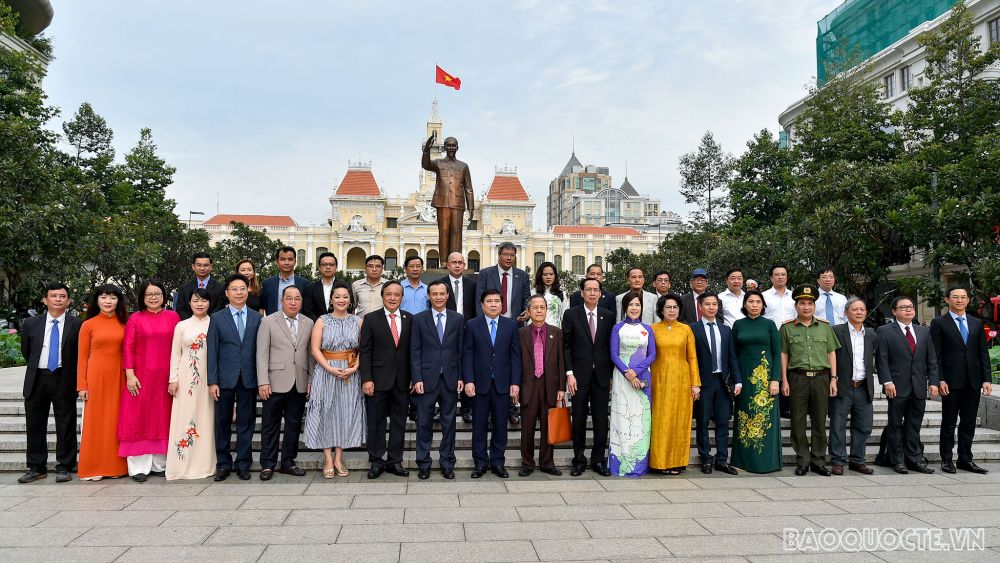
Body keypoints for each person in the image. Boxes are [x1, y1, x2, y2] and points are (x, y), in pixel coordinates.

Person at [18, 282, 83, 484]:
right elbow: (27, 351)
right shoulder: (31, 324)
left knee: (66, 423)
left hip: (64, 378)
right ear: (45, 300)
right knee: (35, 424)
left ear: (68, 301)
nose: (57, 299)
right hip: (37, 378)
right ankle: (36, 467)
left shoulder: (77, 324)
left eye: (62, 296)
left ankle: (65, 466)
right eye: (53, 296)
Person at [119, 279, 180, 482]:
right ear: (142, 298)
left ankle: (160, 464)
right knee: (138, 418)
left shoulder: (173, 317)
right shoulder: (135, 319)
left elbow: (179, 347)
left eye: (157, 294)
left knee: (162, 418)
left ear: (164, 296)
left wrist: (176, 375)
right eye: (149, 295)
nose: (153, 298)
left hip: (165, 378)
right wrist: (130, 375)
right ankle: (138, 467)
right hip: (140, 378)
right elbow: (127, 348)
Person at [306, 282, 365, 479]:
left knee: (345, 413)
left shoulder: (358, 321)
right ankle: (328, 458)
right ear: (331, 299)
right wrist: (329, 368)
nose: (341, 300)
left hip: (350, 371)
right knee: (325, 412)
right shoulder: (322, 320)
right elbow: (315, 349)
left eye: (345, 296)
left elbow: (363, 349)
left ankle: (339, 457)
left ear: (350, 300)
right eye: (337, 296)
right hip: (326, 372)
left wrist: (355, 367)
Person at [875, 296, 940, 474]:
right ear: (894, 311)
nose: (908, 310)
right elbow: (881, 359)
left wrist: (933, 382)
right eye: (903, 307)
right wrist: (887, 381)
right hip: (896, 386)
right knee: (895, 425)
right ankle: (897, 460)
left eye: (910, 307)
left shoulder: (923, 332)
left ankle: (915, 459)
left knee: (914, 425)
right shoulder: (885, 331)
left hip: (918, 386)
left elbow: (932, 360)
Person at [931, 287, 993, 474]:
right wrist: (939, 378)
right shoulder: (939, 323)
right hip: (950, 381)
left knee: (968, 422)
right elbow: (936, 355)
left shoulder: (976, 323)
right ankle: (947, 459)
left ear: (968, 300)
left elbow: (983, 353)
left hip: (973, 382)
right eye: (955, 297)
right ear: (947, 299)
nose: (959, 300)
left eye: (963, 297)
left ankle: (966, 458)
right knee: (949, 422)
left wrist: (986, 379)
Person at [780, 284, 839, 477]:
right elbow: (783, 355)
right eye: (802, 303)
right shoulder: (787, 328)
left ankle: (818, 461)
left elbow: (831, 353)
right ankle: (802, 460)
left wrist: (833, 379)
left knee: (820, 422)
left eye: (810, 303)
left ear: (815, 306)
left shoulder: (824, 327)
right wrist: (784, 381)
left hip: (821, 379)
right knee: (797, 422)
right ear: (796, 306)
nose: (806, 307)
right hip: (797, 378)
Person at [207, 274, 262, 481]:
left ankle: (243, 463)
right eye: (234, 289)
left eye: (242, 288)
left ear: (248, 290)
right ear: (227, 293)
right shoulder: (217, 317)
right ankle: (223, 464)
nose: (239, 293)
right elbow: (212, 351)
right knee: (222, 422)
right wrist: (212, 381)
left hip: (248, 377)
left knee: (246, 423)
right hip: (224, 378)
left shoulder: (257, 318)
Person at [255, 285, 313, 480]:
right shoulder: (269, 322)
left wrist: (310, 380)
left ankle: (288, 461)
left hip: (299, 381)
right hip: (274, 381)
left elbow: (309, 354)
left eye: (297, 298)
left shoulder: (308, 323)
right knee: (270, 424)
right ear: (282, 300)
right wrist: (263, 381)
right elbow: (261, 354)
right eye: (289, 298)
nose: (293, 302)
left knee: (294, 424)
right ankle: (268, 464)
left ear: (301, 301)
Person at [463, 289, 521, 478]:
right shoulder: (472, 325)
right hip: (479, 384)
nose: (494, 304)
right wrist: (469, 380)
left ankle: (497, 462)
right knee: (479, 426)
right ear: (482, 304)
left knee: (500, 426)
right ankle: (480, 463)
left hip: (503, 385)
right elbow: (467, 354)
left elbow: (515, 356)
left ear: (502, 305)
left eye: (497, 301)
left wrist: (515, 382)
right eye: (489, 301)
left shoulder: (511, 325)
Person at [410, 280, 465, 479]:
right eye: (435, 294)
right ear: (429, 296)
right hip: (426, 379)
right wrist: (416, 378)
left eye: (442, 293)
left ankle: (447, 462)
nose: (439, 297)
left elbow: (461, 351)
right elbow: (414, 351)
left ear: (447, 295)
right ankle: (423, 463)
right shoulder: (419, 319)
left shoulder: (458, 319)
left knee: (449, 423)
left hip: (450, 378)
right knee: (423, 422)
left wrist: (461, 376)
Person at [359, 281, 412, 479]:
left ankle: (394, 461)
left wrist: (413, 378)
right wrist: (366, 379)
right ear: (382, 296)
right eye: (388, 294)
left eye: (396, 294)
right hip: (377, 380)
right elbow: (365, 351)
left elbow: (412, 352)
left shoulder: (409, 319)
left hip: (402, 381)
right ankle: (376, 460)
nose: (392, 298)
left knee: (399, 422)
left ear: (401, 297)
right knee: (375, 421)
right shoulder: (371, 319)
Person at [563, 278, 615, 477]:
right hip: (579, 376)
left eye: (596, 290)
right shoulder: (571, 314)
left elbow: (611, 347)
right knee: (579, 419)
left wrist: (610, 374)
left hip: (602, 376)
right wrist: (569, 373)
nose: (592, 293)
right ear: (582, 293)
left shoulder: (608, 315)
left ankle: (598, 459)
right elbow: (566, 346)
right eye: (588, 290)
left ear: (601, 293)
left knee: (602, 420)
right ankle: (578, 459)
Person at [77, 285, 129, 481]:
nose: (108, 301)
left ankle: (116, 467)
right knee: (96, 421)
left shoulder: (125, 323)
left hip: (119, 376)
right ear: (97, 300)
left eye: (113, 298)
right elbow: (82, 357)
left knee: (116, 420)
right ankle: (94, 467)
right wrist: (81, 385)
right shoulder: (88, 325)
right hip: (96, 376)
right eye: (104, 297)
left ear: (119, 301)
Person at [165, 288, 216, 480]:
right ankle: (181, 464)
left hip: (208, 379)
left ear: (209, 303)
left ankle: (204, 465)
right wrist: (173, 379)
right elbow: (175, 354)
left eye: (203, 301)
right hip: (186, 379)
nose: (200, 304)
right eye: (196, 301)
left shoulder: (215, 323)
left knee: (205, 417)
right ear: (189, 303)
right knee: (185, 417)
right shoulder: (182, 326)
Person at [731, 290, 782, 473]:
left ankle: (766, 462)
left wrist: (775, 379)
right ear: (745, 304)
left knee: (765, 420)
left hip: (765, 379)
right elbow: (733, 355)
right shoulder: (738, 325)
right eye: (750, 301)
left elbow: (777, 353)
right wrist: (737, 380)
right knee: (745, 419)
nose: (754, 304)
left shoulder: (769, 325)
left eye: (758, 301)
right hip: (744, 378)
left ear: (763, 305)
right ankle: (743, 461)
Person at [648, 293, 700, 474]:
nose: (672, 310)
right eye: (668, 307)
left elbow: (692, 357)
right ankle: (659, 461)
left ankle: (677, 461)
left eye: (675, 307)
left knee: (680, 421)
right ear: (661, 310)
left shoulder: (686, 329)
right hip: (659, 380)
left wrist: (695, 384)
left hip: (681, 381)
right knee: (660, 421)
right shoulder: (652, 329)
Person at [690, 292, 740, 475]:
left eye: (714, 304)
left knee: (722, 422)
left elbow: (732, 357)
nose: (711, 307)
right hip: (703, 381)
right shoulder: (693, 329)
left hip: (723, 381)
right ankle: (706, 459)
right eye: (707, 304)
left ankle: (721, 459)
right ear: (700, 307)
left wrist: (738, 381)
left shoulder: (726, 329)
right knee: (702, 421)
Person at [518, 295, 566, 477]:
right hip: (528, 386)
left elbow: (561, 361)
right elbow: (516, 361)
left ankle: (547, 463)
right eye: (535, 308)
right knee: (527, 428)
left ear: (547, 310)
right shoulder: (521, 333)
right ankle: (527, 463)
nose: (539, 311)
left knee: (548, 427)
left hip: (550, 386)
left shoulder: (556, 332)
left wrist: (561, 388)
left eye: (542, 307)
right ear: (529, 312)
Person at [609, 291, 655, 477]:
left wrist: (637, 371)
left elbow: (652, 354)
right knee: (623, 419)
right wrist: (629, 374)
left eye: (637, 305)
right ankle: (619, 464)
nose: (634, 308)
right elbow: (614, 354)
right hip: (622, 379)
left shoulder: (647, 329)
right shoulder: (617, 329)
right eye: (631, 305)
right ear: (625, 308)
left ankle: (639, 465)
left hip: (643, 380)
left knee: (641, 421)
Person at [829, 297, 875, 475]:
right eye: (854, 309)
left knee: (864, 426)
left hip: (863, 386)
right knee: (838, 424)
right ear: (846, 313)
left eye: (862, 309)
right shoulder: (836, 331)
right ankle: (838, 460)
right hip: (843, 386)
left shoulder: (871, 334)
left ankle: (857, 460)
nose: (859, 312)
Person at [421, 134, 475, 259]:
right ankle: (444, 261)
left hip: (458, 203)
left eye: (453, 145)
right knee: (444, 232)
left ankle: (455, 260)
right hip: (442, 202)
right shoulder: (438, 163)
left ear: (457, 148)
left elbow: (468, 188)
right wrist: (426, 151)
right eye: (448, 145)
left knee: (456, 233)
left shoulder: (463, 166)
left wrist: (471, 207)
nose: (451, 148)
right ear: (444, 148)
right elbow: (426, 165)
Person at [440, 251, 476, 423]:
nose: (456, 265)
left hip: (468, 330)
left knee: (468, 365)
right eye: (453, 262)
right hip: (446, 331)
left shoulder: (473, 284)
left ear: (464, 265)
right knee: (446, 367)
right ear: (447, 264)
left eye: (460, 262)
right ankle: (445, 407)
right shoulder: (439, 285)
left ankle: (467, 407)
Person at [475, 242, 530, 323]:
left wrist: (526, 313)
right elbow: (479, 299)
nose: (509, 258)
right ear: (499, 255)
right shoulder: (485, 274)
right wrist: (481, 321)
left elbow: (526, 298)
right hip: (490, 322)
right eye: (505, 254)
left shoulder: (522, 275)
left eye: (512, 255)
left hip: (516, 323)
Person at [260, 246, 309, 316]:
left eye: (290, 259)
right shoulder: (267, 284)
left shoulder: (305, 284)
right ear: (277, 262)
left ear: (295, 262)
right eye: (283, 259)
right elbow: (264, 307)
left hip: (298, 325)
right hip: (273, 325)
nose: (286, 262)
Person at [175, 252, 226, 320]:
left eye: (205, 265)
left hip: (213, 325)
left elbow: (220, 308)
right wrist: (193, 322)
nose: (202, 268)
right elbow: (180, 309)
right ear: (193, 267)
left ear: (211, 267)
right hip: (190, 326)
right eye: (199, 265)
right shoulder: (184, 288)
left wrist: (207, 322)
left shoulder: (220, 288)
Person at [304, 252, 352, 320]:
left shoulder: (345, 286)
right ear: (320, 268)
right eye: (324, 264)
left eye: (331, 264)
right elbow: (308, 311)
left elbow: (349, 308)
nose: (328, 267)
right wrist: (322, 324)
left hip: (340, 325)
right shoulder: (310, 288)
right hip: (316, 327)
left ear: (336, 267)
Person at [533, 261, 565, 327]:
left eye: (551, 274)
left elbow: (564, 315)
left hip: (556, 331)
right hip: (537, 330)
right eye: (545, 274)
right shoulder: (533, 292)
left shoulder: (562, 293)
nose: (548, 277)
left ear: (555, 275)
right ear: (540, 276)